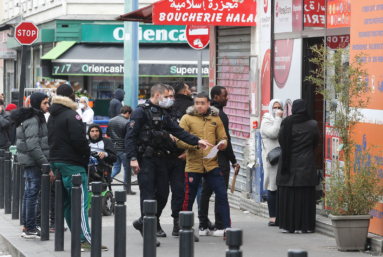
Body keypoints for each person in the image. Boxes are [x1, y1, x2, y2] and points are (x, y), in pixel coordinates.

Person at [126, 84, 212, 247]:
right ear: (157, 94)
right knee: (148, 195)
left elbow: (178, 131)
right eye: (167, 97)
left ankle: (142, 222)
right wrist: (132, 158)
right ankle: (149, 232)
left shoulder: (163, 112)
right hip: (145, 159)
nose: (170, 100)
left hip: (160, 160)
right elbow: (130, 136)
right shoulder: (140, 112)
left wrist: (196, 141)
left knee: (163, 195)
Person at [47, 84, 108, 251]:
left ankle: (78, 237)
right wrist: (85, 156)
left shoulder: (52, 115)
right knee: (81, 203)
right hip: (72, 164)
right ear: (70, 96)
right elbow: (79, 141)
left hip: (56, 161)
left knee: (67, 202)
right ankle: (84, 240)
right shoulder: (72, 115)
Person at [177, 93, 231, 241]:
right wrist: (196, 143)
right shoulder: (186, 119)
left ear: (208, 104)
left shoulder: (216, 118)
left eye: (202, 103)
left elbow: (224, 137)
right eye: (197, 103)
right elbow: (179, 141)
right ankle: (185, 230)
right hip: (193, 165)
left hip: (212, 164)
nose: (199, 105)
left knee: (222, 195)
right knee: (189, 198)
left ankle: (227, 228)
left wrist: (223, 144)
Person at [198, 86, 240, 237]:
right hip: (219, 159)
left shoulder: (202, 114)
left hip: (205, 157)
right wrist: (234, 161)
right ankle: (219, 225)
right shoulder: (220, 115)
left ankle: (202, 226)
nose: (227, 97)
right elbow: (225, 141)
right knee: (220, 192)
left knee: (205, 191)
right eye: (224, 95)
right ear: (216, 97)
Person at [11, 92, 53, 238]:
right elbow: (33, 145)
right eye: (45, 103)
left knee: (30, 193)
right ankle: (30, 227)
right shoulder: (33, 119)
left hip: (32, 161)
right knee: (32, 194)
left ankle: (28, 227)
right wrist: (45, 164)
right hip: (33, 162)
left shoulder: (35, 117)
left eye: (48, 102)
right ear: (37, 103)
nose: (48, 105)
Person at [276, 99, 319, 234]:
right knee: (304, 197)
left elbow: (281, 141)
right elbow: (315, 142)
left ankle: (288, 225)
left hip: (287, 164)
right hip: (305, 164)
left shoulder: (287, 122)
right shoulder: (313, 124)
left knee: (288, 196)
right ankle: (304, 226)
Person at [154, 85, 186, 238]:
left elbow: (186, 133)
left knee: (179, 191)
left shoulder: (178, 115)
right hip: (160, 158)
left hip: (177, 158)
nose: (170, 99)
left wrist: (187, 150)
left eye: (172, 96)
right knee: (161, 194)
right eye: (167, 96)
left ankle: (177, 223)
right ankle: (155, 221)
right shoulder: (153, 113)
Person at [260, 99, 284, 226]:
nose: (277, 110)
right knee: (272, 186)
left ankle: (281, 215)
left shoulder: (281, 119)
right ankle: (272, 217)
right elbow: (273, 133)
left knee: (280, 186)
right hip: (272, 159)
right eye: (275, 107)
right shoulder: (266, 120)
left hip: (282, 158)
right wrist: (278, 118)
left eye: (280, 107)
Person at [107, 105, 136, 193]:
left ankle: (106, 181)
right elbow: (128, 137)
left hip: (113, 147)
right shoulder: (127, 123)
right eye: (130, 114)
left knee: (116, 168)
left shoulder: (111, 120)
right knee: (127, 168)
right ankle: (126, 188)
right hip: (123, 148)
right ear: (127, 113)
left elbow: (108, 133)